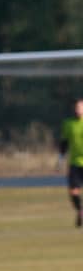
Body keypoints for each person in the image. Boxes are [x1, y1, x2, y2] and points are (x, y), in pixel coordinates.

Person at [59, 97, 83, 227]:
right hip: (74, 163)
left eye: (80, 107)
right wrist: (60, 158)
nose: (78, 109)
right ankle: (80, 210)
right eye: (76, 107)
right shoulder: (68, 124)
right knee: (73, 192)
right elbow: (64, 142)